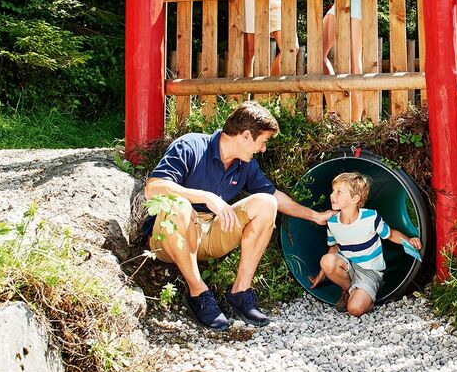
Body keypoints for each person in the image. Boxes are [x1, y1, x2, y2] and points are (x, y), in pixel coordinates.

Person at [143, 101, 334, 331]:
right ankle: (198, 293)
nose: (263, 148)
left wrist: (315, 216)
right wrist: (205, 196)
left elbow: (277, 197)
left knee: (266, 203)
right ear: (245, 136)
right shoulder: (190, 146)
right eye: (262, 141)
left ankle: (240, 292)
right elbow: (153, 188)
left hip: (210, 235)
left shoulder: (246, 165)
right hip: (170, 238)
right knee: (180, 206)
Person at [309, 172, 421, 317]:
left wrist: (410, 241)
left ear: (355, 198)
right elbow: (334, 248)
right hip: (348, 266)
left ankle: (365, 293)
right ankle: (347, 290)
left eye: (339, 192)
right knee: (327, 260)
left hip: (369, 272)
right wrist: (321, 274)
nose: (332, 195)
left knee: (354, 310)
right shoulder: (332, 221)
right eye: (333, 191)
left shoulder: (370, 217)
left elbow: (391, 234)